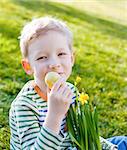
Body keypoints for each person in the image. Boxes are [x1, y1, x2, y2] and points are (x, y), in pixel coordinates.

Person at [9, 16, 124, 150]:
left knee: (122, 142)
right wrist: (55, 115)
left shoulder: (70, 91)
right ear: (28, 66)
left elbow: (81, 133)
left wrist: (109, 148)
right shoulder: (24, 105)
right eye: (42, 57)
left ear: (71, 59)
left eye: (61, 54)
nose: (54, 64)